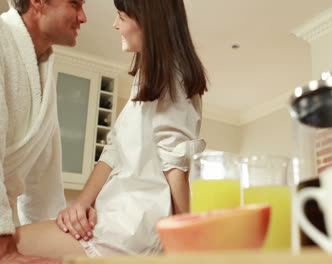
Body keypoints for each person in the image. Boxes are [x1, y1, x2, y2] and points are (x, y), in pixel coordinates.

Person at [12, 0, 207, 259]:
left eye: (122, 16)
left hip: (132, 226)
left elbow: (175, 167)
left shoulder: (174, 77)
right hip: (115, 216)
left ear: (147, 22)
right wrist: (80, 204)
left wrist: (187, 247)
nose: (115, 25)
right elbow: (113, 151)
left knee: (10, 246)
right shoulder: (148, 78)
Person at [0, 0, 87, 263]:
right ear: (38, 2)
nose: (83, 17)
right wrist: (4, 250)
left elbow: (44, 175)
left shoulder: (43, 67)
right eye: (75, 4)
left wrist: (57, 229)